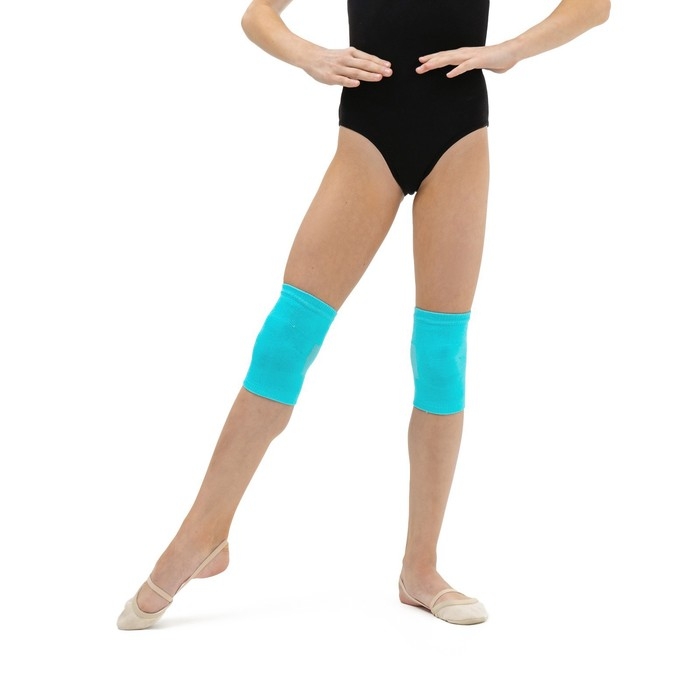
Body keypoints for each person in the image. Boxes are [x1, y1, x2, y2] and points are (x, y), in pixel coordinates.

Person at [117, 0, 610, 629]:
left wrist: (510, 50)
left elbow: (594, 6)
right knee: (285, 338)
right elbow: (258, 15)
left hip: (459, 134)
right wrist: (308, 56)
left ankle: (420, 569)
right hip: (368, 136)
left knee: (440, 353)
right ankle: (203, 534)